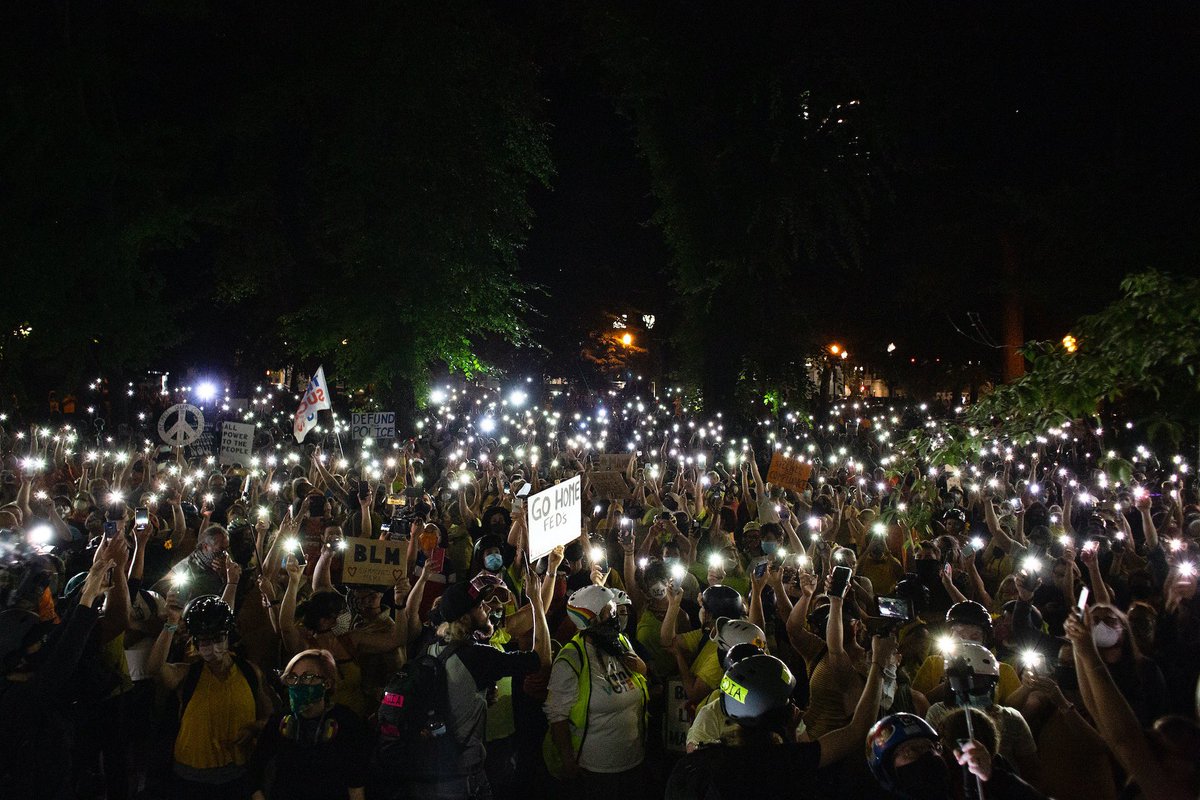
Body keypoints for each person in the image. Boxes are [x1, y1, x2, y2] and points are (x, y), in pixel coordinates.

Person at [379, 570, 550, 799]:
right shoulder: (478, 657)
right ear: (466, 618)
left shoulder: (430, 648)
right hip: (461, 780)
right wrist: (537, 603)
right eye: (480, 607)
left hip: (428, 774)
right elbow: (541, 659)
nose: (488, 609)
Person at [666, 638, 895, 800]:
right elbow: (857, 730)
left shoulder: (695, 764)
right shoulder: (786, 761)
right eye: (788, 701)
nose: (794, 706)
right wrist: (879, 664)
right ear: (777, 715)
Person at [148, 594, 273, 800]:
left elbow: (269, 715)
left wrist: (255, 727)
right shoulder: (187, 675)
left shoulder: (250, 672)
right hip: (191, 779)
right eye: (204, 640)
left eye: (217, 638)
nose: (212, 647)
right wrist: (171, 623)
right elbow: (155, 669)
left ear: (228, 637)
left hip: (237, 775)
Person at [544, 584, 650, 798]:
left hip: (634, 759)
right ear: (589, 620)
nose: (615, 615)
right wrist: (567, 759)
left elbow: (641, 677)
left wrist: (641, 667)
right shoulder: (571, 659)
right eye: (608, 611)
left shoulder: (619, 642)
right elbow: (557, 715)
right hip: (597, 770)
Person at [248, 648, 370, 800]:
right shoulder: (280, 720)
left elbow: (356, 783)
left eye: (308, 677)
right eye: (293, 677)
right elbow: (254, 771)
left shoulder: (346, 721)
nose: (299, 684)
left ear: (327, 683)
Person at [923, 640, 1040, 780]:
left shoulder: (1011, 717)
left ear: (993, 684)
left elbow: (1031, 769)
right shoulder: (937, 712)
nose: (971, 688)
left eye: (980, 681)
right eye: (966, 681)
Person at [866, 711, 1049, 800]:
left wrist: (994, 777)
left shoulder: (968, 788)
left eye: (931, 748)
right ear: (887, 769)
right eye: (910, 751)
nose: (926, 756)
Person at [912, 600, 1022, 705]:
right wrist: (953, 681)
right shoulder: (933, 663)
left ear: (985, 639)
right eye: (960, 635)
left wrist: (1027, 687)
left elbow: (1014, 711)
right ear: (950, 634)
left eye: (974, 637)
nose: (965, 641)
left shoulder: (1003, 670)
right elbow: (917, 703)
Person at [660, 582, 746, 704]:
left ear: (709, 615)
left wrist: (679, 656)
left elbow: (694, 694)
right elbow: (667, 641)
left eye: (703, 607)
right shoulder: (709, 634)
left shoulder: (723, 652)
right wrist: (673, 605)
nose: (701, 610)